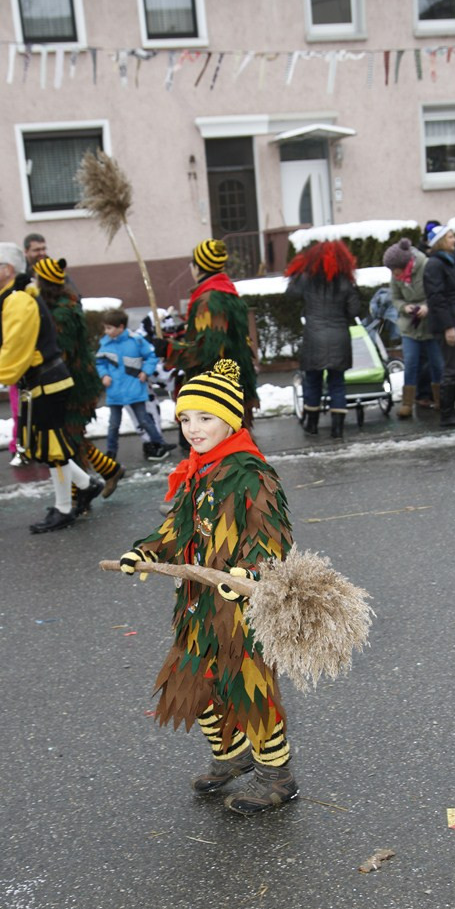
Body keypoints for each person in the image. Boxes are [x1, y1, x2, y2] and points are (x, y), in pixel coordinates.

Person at [118, 359, 297, 815]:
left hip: (239, 607)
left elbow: (271, 542)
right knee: (194, 681)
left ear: (230, 420)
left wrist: (248, 579)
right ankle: (231, 757)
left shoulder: (250, 474)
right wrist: (146, 551)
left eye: (205, 418)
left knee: (247, 685)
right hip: (198, 602)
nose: (192, 429)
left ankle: (277, 777)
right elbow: (180, 530)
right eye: (184, 419)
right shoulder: (200, 469)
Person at [0, 242, 102, 533]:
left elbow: (16, 350)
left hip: (47, 383)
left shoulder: (20, 301)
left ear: (8, 269)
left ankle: (65, 509)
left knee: (53, 450)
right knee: (49, 448)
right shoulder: (12, 298)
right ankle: (87, 485)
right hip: (43, 384)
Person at [33, 257, 125, 501]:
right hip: (70, 384)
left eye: (36, 279)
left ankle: (78, 495)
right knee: (70, 437)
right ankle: (109, 470)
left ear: (45, 283)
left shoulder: (61, 313)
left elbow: (60, 353)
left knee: (68, 440)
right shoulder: (60, 306)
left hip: (73, 388)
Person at [170, 240, 259, 430]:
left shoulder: (209, 299)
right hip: (233, 384)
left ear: (197, 267)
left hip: (217, 390)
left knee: (224, 451)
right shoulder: (228, 293)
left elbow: (205, 351)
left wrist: (169, 349)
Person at [285, 239, 361, 439]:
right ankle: (337, 429)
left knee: (313, 381)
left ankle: (312, 425)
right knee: (337, 383)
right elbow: (354, 310)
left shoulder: (307, 279)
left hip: (314, 337)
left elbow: (290, 294)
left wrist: (299, 271)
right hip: (339, 337)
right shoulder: (346, 282)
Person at [96, 309, 173, 463]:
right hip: (115, 391)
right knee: (113, 425)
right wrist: (104, 375)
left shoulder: (136, 340)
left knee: (144, 420)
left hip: (134, 388)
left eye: (109, 328)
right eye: (105, 328)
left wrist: (145, 372)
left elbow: (151, 356)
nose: (106, 331)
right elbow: (100, 362)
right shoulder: (105, 344)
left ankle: (160, 443)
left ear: (121, 327)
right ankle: (111, 452)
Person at [383, 237, 443, 418]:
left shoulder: (426, 267)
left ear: (406, 263)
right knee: (410, 362)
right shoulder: (396, 275)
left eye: (396, 270)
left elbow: (438, 292)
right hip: (409, 326)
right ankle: (407, 403)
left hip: (430, 324)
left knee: (437, 363)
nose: (394, 274)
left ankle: (441, 399)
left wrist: (427, 307)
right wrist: (404, 307)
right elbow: (395, 297)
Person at [423, 224, 455, 427]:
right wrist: (448, 327)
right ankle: (446, 413)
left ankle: (450, 409)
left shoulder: (447, 263)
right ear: (441, 241)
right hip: (448, 325)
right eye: (451, 237)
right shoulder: (435, 265)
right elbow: (437, 298)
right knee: (453, 369)